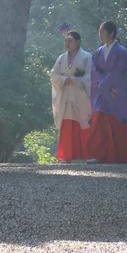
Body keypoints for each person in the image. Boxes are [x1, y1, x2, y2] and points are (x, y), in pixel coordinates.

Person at [86, 21, 127, 163]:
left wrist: (107, 85)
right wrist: (103, 85)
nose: (100, 35)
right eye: (99, 31)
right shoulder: (99, 51)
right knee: (99, 123)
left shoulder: (121, 51)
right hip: (103, 91)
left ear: (111, 33)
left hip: (118, 92)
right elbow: (95, 70)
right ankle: (100, 155)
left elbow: (120, 71)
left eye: (102, 32)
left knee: (117, 124)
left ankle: (120, 156)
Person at [49, 30, 93, 162]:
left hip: (80, 96)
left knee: (84, 122)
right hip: (66, 96)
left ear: (78, 42)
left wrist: (78, 80)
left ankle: (88, 155)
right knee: (67, 123)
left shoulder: (87, 57)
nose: (67, 43)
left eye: (70, 41)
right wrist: (63, 80)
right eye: (65, 41)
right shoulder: (61, 58)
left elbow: (91, 76)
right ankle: (66, 155)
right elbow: (53, 75)